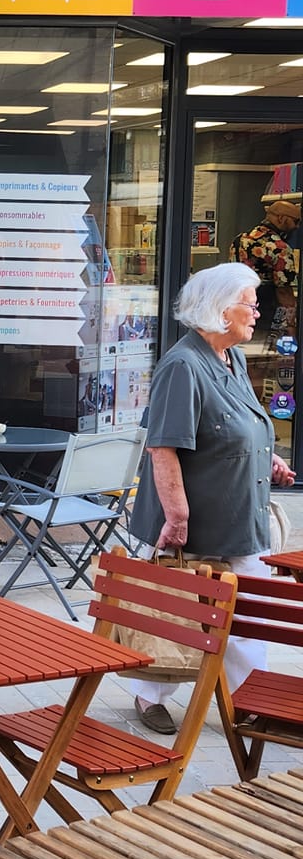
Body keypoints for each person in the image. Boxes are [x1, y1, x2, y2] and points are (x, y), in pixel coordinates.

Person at [125, 261, 293, 734]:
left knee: (241, 611)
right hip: (198, 521)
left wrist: (270, 460)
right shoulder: (182, 365)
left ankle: (247, 699)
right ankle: (150, 691)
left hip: (240, 513)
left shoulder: (231, 357)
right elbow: (163, 447)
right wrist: (177, 517)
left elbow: (242, 423)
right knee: (180, 609)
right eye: (249, 302)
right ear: (220, 309)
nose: (256, 312)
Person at [229, 193, 300, 333]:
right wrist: (291, 326)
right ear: (281, 218)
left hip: (238, 311)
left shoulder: (239, 240)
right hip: (266, 313)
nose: (297, 227)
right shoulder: (279, 248)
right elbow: (284, 292)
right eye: (295, 221)